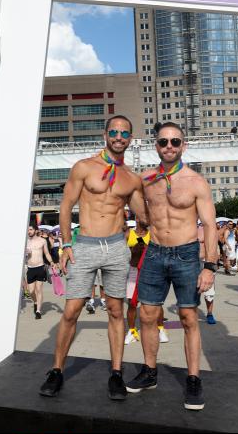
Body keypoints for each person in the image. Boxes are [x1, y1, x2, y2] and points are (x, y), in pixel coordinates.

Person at [39, 115, 149, 401]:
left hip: (116, 247)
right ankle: (56, 370)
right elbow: (66, 206)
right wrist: (66, 245)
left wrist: (157, 188)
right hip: (85, 245)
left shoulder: (132, 178)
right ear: (105, 135)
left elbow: (144, 216)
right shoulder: (84, 167)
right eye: (114, 132)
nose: (118, 137)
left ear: (130, 138)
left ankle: (116, 373)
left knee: (116, 310)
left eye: (124, 133)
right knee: (71, 310)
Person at [126, 122, 218, 411]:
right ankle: (150, 372)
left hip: (186, 255)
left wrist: (209, 266)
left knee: (189, 318)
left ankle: (193, 379)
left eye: (175, 141)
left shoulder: (196, 182)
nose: (169, 146)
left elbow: (210, 225)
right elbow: (129, 200)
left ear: (183, 146)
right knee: (147, 314)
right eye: (163, 141)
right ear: (156, 145)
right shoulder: (145, 179)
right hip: (154, 252)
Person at [124, 222, 169, 345]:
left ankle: (160, 329)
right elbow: (121, 253)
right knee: (132, 303)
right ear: (137, 218)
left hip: (151, 270)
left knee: (156, 302)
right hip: (133, 270)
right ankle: (132, 331)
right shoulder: (129, 234)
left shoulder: (153, 234)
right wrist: (133, 250)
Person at [25, 226, 57, 319]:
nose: (29, 231)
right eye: (28, 230)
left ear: (36, 230)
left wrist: (52, 262)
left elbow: (46, 253)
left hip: (40, 267)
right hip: (30, 268)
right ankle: (35, 302)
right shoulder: (25, 241)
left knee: (39, 289)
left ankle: (38, 311)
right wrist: (25, 253)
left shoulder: (42, 241)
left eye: (31, 229)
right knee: (31, 291)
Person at [197, 220, 218, 324]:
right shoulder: (185, 228)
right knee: (193, 289)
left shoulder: (207, 229)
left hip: (206, 263)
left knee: (209, 291)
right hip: (191, 263)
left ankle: (210, 313)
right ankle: (192, 312)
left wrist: (213, 265)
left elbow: (214, 248)